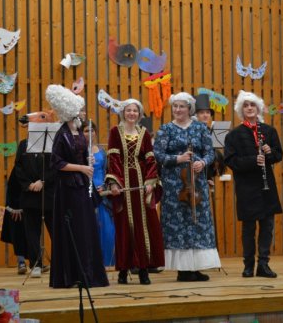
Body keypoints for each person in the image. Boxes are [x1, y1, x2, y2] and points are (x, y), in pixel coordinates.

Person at [45, 85, 109, 288]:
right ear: (70, 111)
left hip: (81, 185)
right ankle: (74, 275)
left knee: (86, 229)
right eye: (80, 110)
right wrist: (81, 167)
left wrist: (88, 159)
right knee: (75, 229)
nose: (83, 113)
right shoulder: (62, 134)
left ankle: (88, 273)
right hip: (69, 188)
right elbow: (56, 163)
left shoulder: (79, 131)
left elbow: (80, 155)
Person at [154, 92, 221, 282]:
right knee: (177, 224)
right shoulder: (166, 129)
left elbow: (210, 153)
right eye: (175, 106)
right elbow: (158, 154)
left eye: (181, 106)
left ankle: (195, 267)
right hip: (174, 185)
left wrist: (203, 162)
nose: (177, 110)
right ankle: (182, 270)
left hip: (196, 183)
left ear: (189, 108)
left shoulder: (200, 128)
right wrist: (178, 158)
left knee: (197, 222)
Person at [104, 99, 164, 285]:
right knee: (124, 228)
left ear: (139, 114)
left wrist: (150, 181)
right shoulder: (115, 132)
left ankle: (144, 269)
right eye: (128, 110)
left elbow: (150, 159)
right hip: (123, 187)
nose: (131, 113)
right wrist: (114, 183)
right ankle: (123, 270)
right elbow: (113, 159)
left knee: (144, 227)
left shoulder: (144, 133)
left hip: (141, 186)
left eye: (135, 111)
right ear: (123, 112)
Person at [224, 91, 282, 278]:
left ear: (258, 108)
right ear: (241, 110)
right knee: (248, 228)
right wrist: (252, 160)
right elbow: (230, 160)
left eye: (253, 105)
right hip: (246, 187)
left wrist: (269, 152)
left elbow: (278, 155)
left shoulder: (269, 131)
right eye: (246, 105)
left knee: (267, 226)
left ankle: (263, 264)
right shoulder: (234, 135)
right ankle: (248, 265)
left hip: (267, 186)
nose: (249, 108)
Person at [13, 119, 55, 278]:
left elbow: (55, 167)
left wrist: (43, 181)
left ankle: (59, 262)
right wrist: (28, 184)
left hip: (48, 194)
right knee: (32, 232)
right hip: (29, 195)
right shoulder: (23, 145)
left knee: (55, 230)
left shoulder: (50, 145)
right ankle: (36, 264)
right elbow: (18, 168)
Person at [82, 120, 115, 268]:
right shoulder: (78, 151)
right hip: (86, 193)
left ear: (95, 132)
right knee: (89, 229)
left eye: (92, 130)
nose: (89, 133)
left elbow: (108, 171)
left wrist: (106, 186)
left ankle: (107, 262)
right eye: (85, 130)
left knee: (107, 230)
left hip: (103, 194)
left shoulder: (102, 151)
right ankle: (91, 264)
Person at [0, 160, 28, 275]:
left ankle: (36, 261)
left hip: (32, 205)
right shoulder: (18, 169)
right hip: (18, 206)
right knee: (18, 232)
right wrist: (15, 207)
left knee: (32, 235)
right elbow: (12, 189)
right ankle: (21, 261)